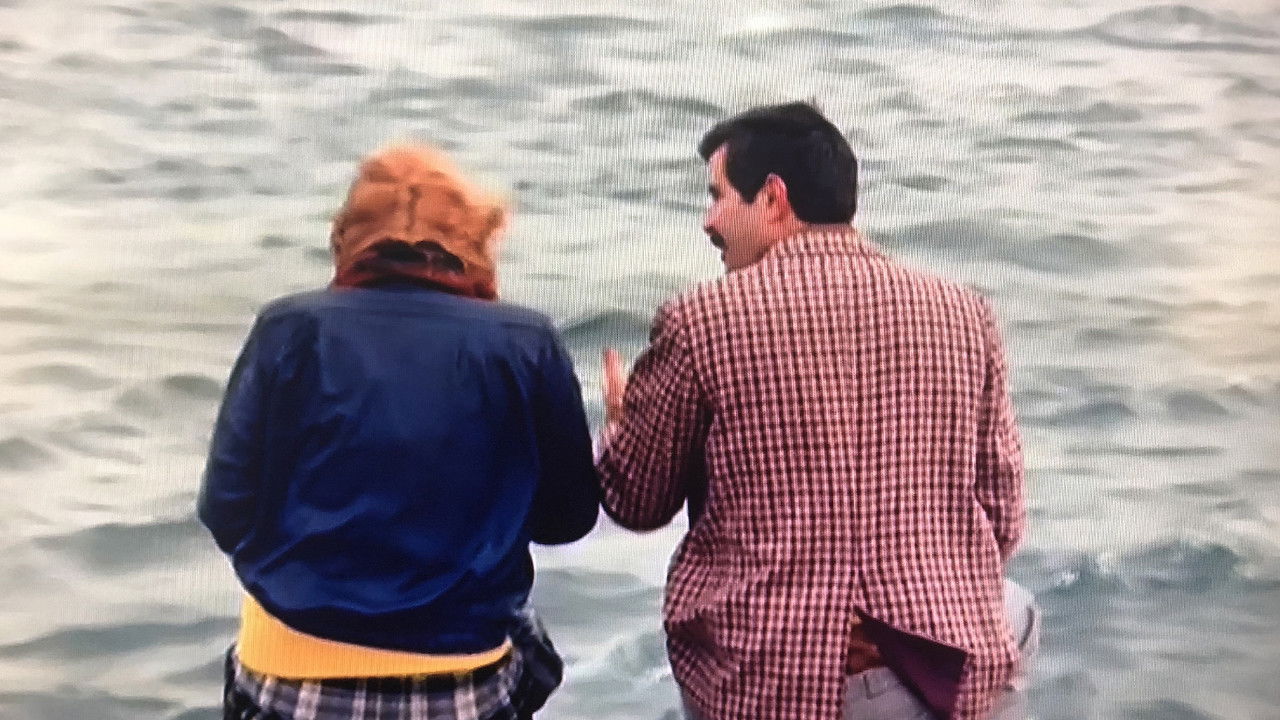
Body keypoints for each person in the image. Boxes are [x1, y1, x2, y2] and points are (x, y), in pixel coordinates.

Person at [596, 102, 1037, 720]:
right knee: (1015, 610)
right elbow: (1002, 518)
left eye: (718, 196)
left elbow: (636, 503)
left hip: (768, 684)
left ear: (773, 198)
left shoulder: (703, 320)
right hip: (930, 676)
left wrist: (622, 424)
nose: (709, 220)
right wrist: (905, 598)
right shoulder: (965, 315)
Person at [197, 145, 599, 720]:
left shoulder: (288, 329)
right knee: (532, 655)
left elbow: (225, 511)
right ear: (477, 242)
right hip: (459, 676)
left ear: (347, 240)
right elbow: (566, 521)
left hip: (287, 671)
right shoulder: (524, 341)